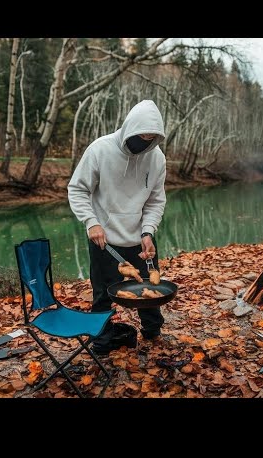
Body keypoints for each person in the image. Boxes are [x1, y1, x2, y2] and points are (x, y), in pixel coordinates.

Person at [67, 99, 167, 354]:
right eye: (140, 137)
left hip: (138, 240)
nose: (143, 143)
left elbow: (156, 200)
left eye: (150, 139)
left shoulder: (156, 159)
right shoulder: (99, 150)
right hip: (105, 240)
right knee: (103, 295)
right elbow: (77, 189)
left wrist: (148, 231)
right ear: (129, 128)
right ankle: (101, 342)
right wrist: (91, 223)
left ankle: (153, 334)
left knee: (151, 292)